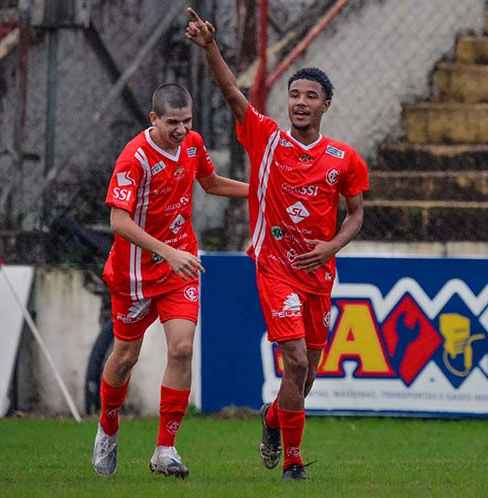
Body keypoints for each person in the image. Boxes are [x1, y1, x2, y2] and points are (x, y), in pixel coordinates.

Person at [186, 8, 369, 481]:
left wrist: (332, 247)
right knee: (296, 361)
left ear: (326, 105)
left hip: (319, 275)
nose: (300, 101)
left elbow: (357, 214)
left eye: (311, 95)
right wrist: (210, 48)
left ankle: (272, 419)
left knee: (303, 380)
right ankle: (292, 463)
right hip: (274, 268)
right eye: (294, 94)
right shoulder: (266, 139)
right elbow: (231, 93)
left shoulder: (344, 159)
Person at [93, 83, 248, 479]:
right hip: (134, 274)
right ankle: (108, 427)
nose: (181, 130)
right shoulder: (135, 158)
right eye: (172, 123)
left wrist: (261, 192)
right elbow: (118, 222)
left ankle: (165, 449)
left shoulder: (193, 145)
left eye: (187, 121)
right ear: (154, 119)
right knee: (125, 357)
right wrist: (168, 251)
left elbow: (211, 184)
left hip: (180, 267)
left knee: (181, 350)